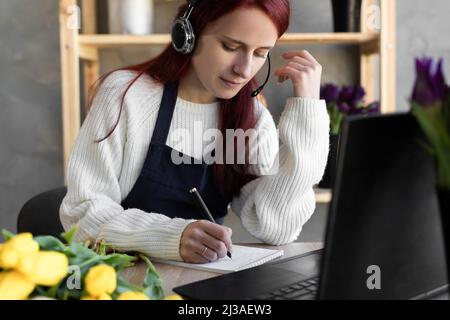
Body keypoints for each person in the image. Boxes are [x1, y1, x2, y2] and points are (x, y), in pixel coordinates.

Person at [60, 0, 330, 264]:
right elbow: (82, 215)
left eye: (260, 53)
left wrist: (307, 112)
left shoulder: (251, 118)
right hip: (119, 281)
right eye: (231, 46)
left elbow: (278, 228)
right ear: (188, 34)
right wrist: (172, 237)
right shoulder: (125, 95)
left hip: (200, 283)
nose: (244, 69)